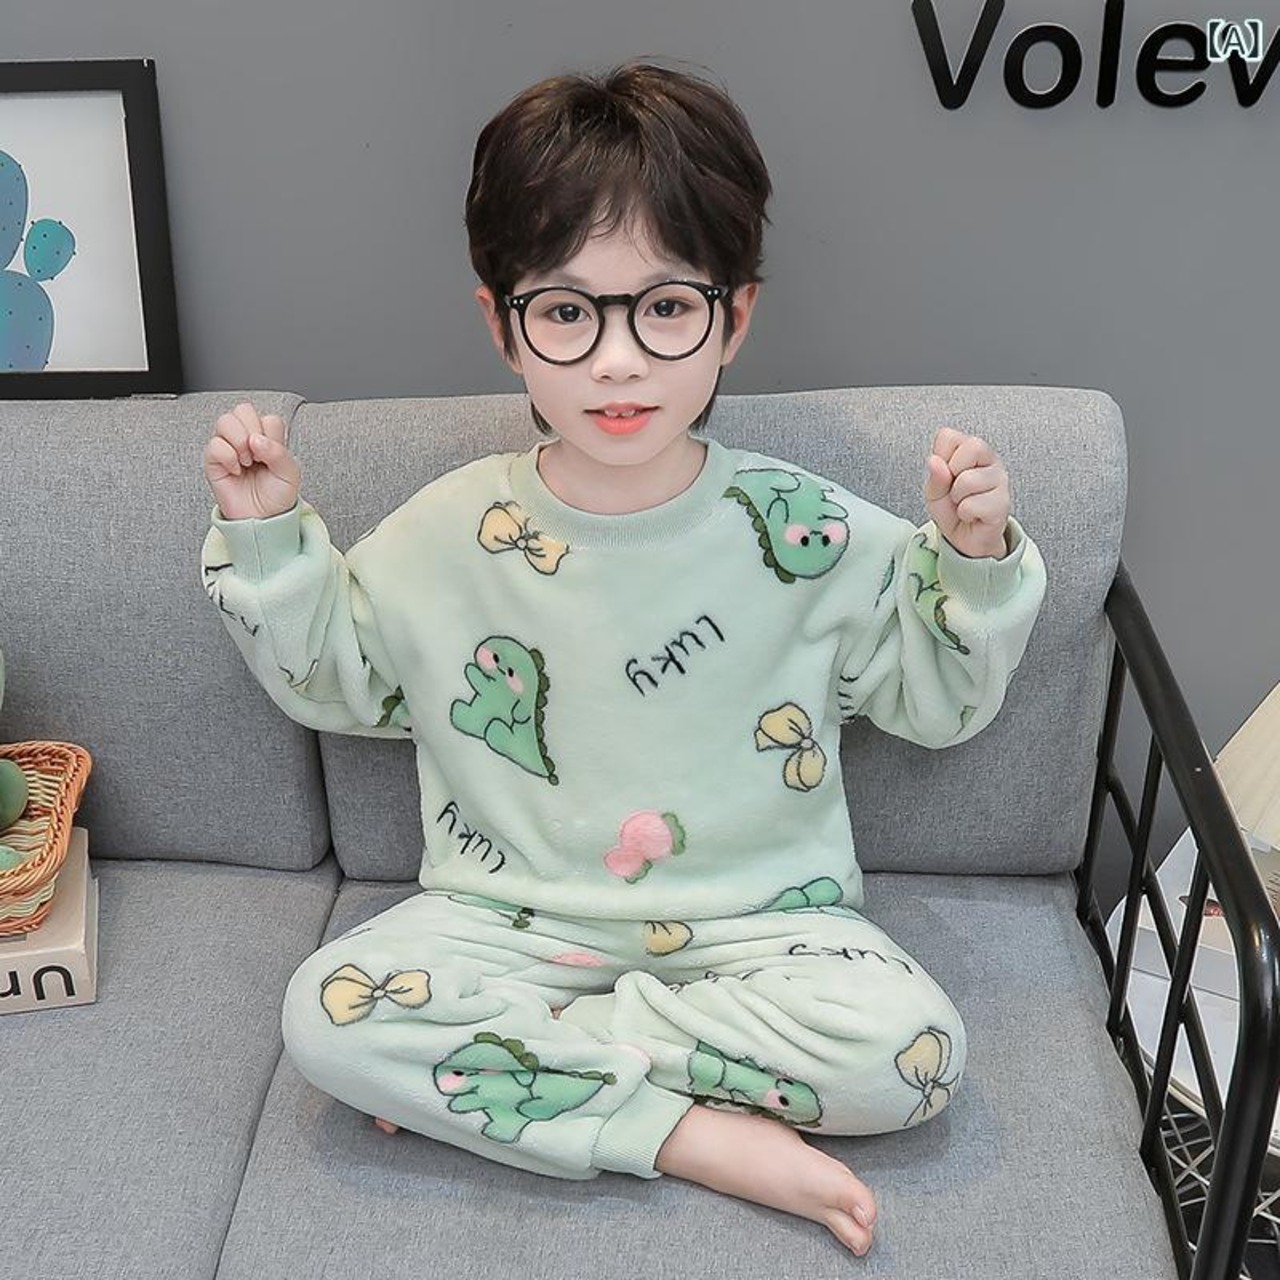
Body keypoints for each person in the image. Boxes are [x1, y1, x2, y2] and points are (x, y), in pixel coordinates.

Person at [200, 60, 1047, 1259]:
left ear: (732, 317)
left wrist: (971, 558)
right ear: (501, 324)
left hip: (758, 935)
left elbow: (938, 702)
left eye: (663, 307)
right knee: (324, 1018)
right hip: (501, 925)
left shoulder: (805, 525)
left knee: (912, 1053)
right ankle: (683, 1130)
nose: (615, 360)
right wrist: (268, 536)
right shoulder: (445, 532)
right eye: (565, 311)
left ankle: (522, 1070)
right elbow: (337, 678)